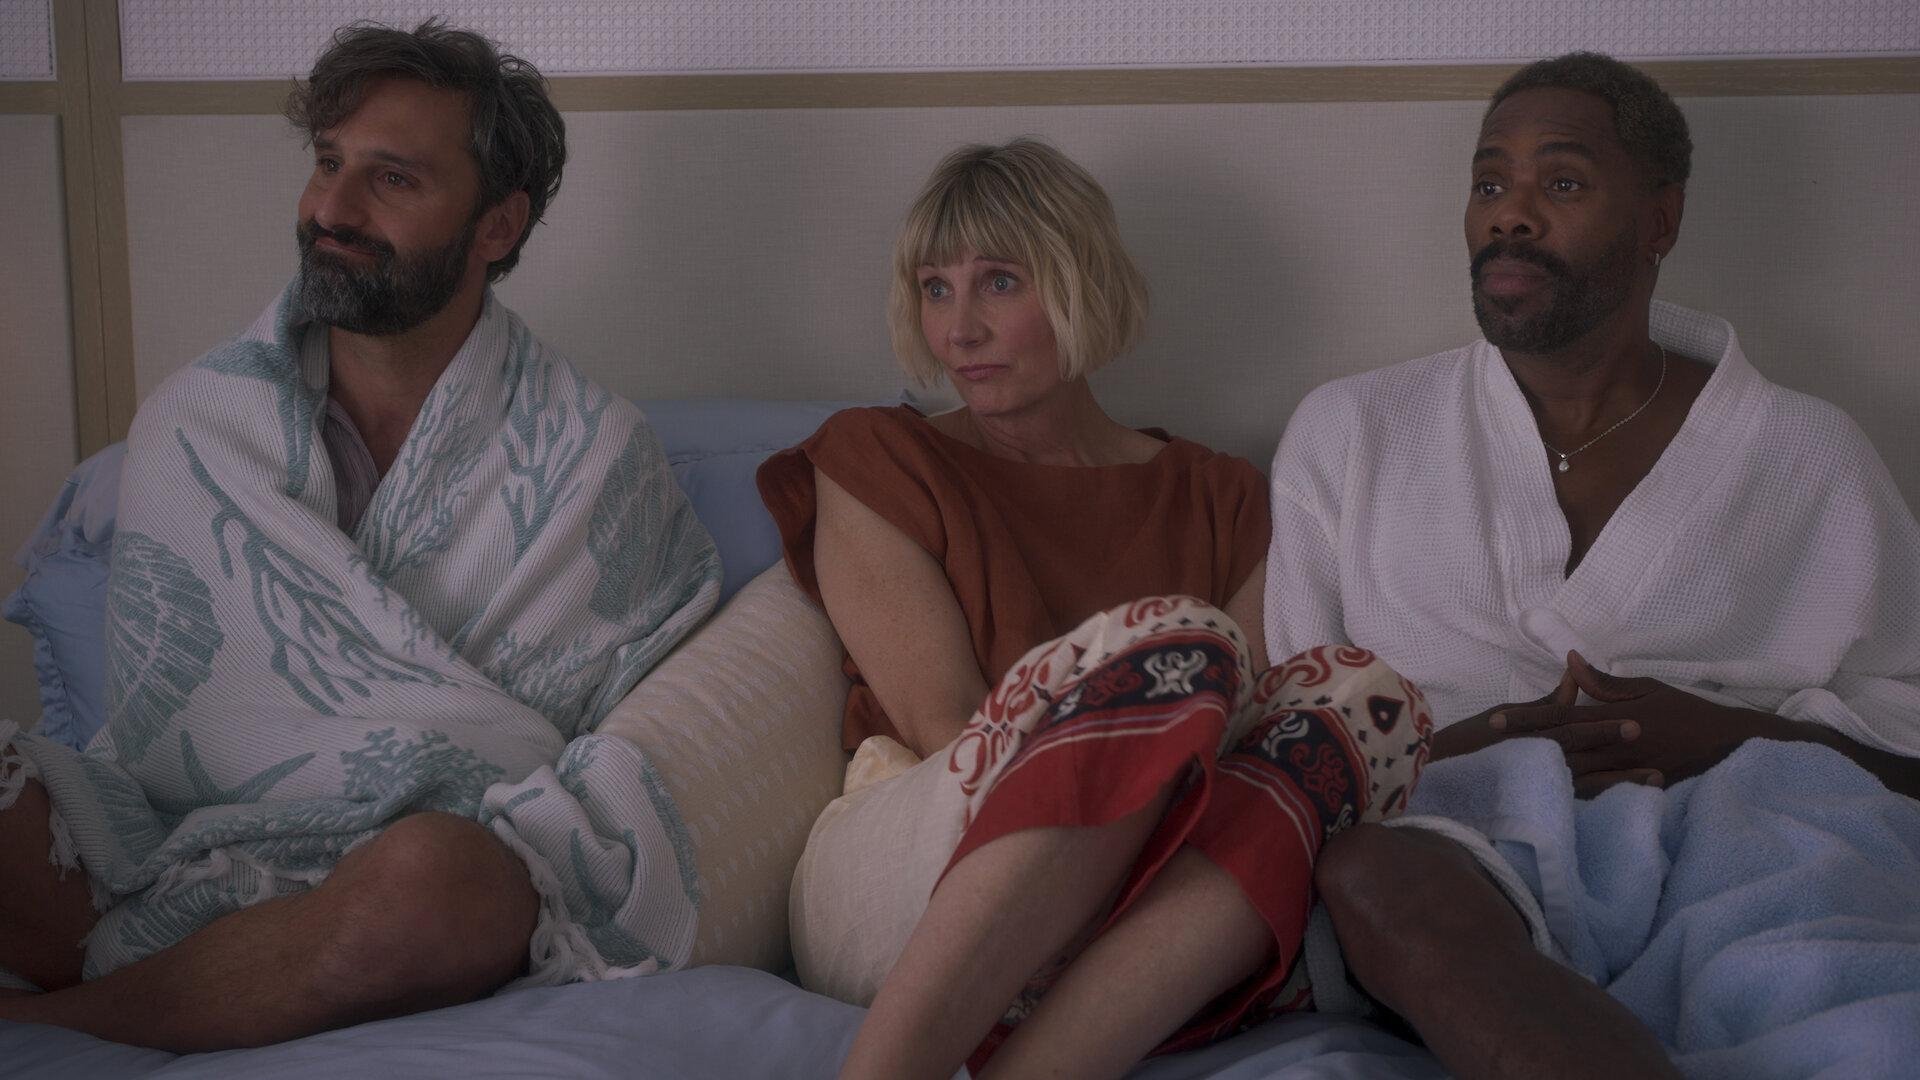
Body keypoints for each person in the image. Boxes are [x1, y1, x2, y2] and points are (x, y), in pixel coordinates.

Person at [0, 21, 720, 1051]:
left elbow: (589, 757)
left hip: (400, 880)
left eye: (392, 179)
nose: (331, 211)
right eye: (328, 163)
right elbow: (169, 724)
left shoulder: (595, 457)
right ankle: (204, 982)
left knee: (445, 880)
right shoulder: (198, 421)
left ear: (497, 225)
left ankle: (63, 1021)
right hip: (158, 841)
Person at [1267, 51, 1920, 1078]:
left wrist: (1727, 735)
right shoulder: (1352, 432)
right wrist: (1478, 745)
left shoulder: (1807, 453)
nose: (1511, 217)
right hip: (1456, 851)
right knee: (1371, 880)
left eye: (1562, 182)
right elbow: (1297, 744)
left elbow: (1910, 755)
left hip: (1753, 833)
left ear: (1661, 219)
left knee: (1873, 1030)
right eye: (1490, 183)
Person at [757, 138, 1432, 1080]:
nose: (959, 330)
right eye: (935, 288)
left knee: (1363, 700)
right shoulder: (878, 455)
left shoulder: (1222, 494)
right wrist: (1142, 693)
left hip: (1155, 888)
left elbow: (1245, 748)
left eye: (999, 282)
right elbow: (947, 727)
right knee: (1180, 650)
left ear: (1083, 283)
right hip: (918, 858)